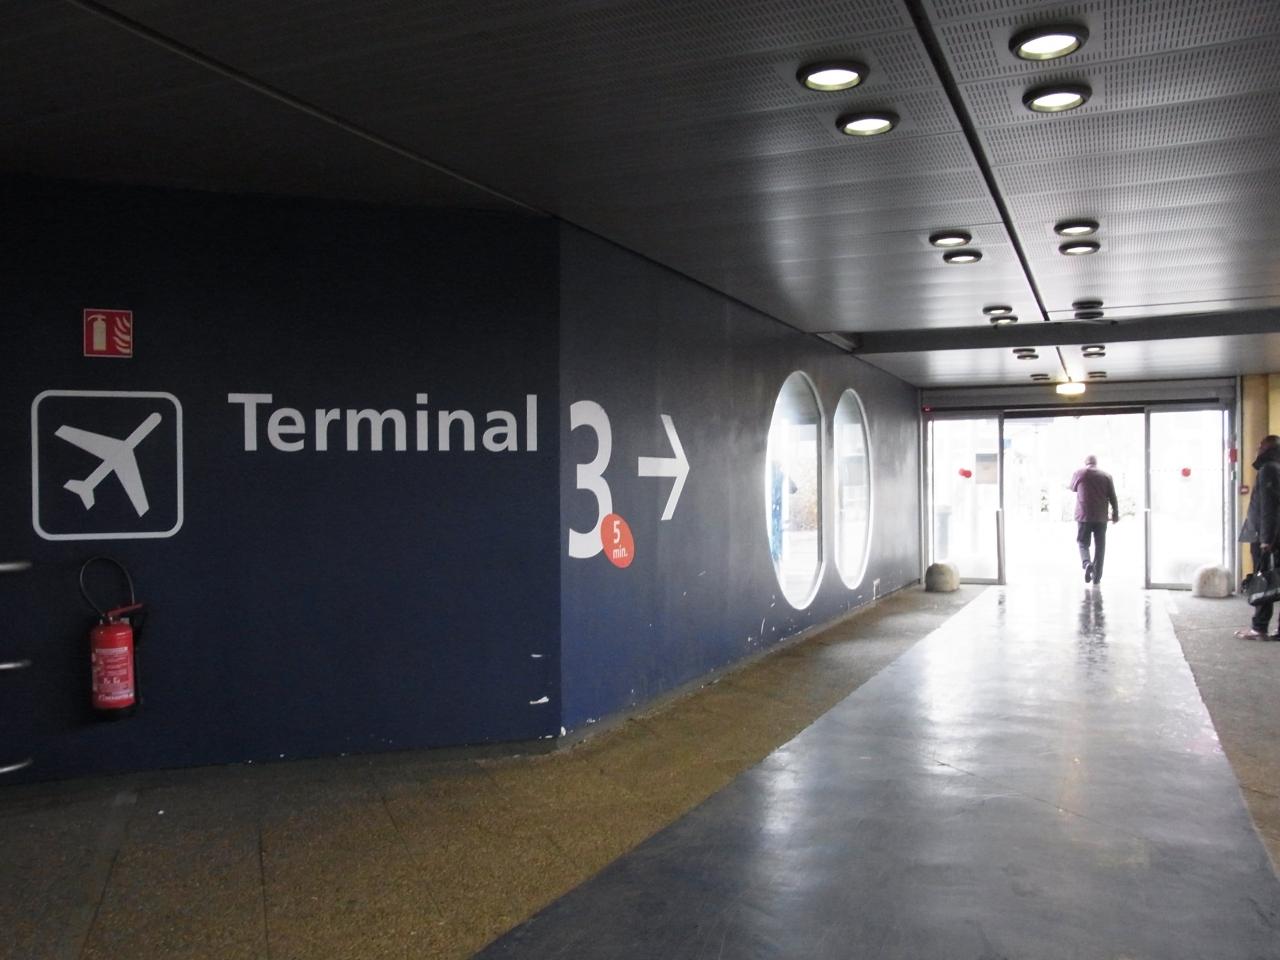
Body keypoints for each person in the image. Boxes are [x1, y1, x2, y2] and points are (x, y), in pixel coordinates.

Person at [1235, 434, 1280, 640]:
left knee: (1264, 580)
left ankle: (1259, 628)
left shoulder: (1268, 469)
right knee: (1274, 579)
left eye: (1260, 445)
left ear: (1266, 448)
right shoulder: (1276, 467)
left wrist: (1265, 540)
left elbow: (1269, 507)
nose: (1257, 449)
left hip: (1267, 537)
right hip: (1274, 535)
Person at [1070, 454, 1119, 585]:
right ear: (1096, 463)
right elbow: (1113, 497)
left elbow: (1072, 488)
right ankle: (1097, 577)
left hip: (1083, 516)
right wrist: (1115, 514)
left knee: (1083, 543)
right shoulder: (1106, 476)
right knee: (1100, 546)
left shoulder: (1079, 473)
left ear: (1086, 463)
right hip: (1101, 517)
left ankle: (1087, 563)